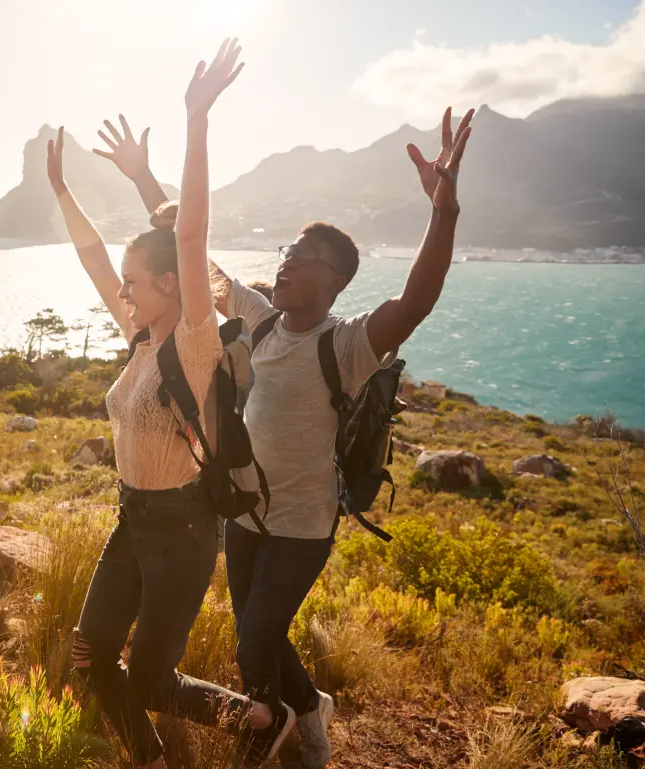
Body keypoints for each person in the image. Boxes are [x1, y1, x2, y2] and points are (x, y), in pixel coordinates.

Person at [98, 104, 475, 767]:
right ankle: (311, 705)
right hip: (245, 513)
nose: (288, 262)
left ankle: (273, 740)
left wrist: (442, 212)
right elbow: (189, 249)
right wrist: (143, 176)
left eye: (305, 258)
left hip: (303, 523)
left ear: (335, 280)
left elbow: (419, 296)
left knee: (254, 643)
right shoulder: (260, 319)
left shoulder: (351, 343)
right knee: (260, 635)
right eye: (288, 252)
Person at [52, 40, 284, 769]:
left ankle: (257, 718)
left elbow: (189, 233)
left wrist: (196, 121)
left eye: (135, 278)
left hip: (185, 530)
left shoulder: (193, 340)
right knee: (91, 659)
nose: (122, 287)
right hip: (133, 520)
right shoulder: (142, 336)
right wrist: (62, 192)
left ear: (172, 286)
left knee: (152, 677)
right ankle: (150, 760)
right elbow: (93, 258)